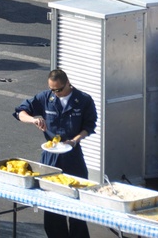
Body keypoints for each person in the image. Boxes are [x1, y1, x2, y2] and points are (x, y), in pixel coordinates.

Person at [15, 69, 97, 238]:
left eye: (58, 89)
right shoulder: (46, 98)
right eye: (52, 89)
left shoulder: (83, 100)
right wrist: (34, 119)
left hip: (73, 156)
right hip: (50, 157)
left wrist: (74, 140)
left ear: (68, 83)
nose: (55, 93)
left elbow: (89, 126)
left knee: (77, 209)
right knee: (51, 209)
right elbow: (20, 112)